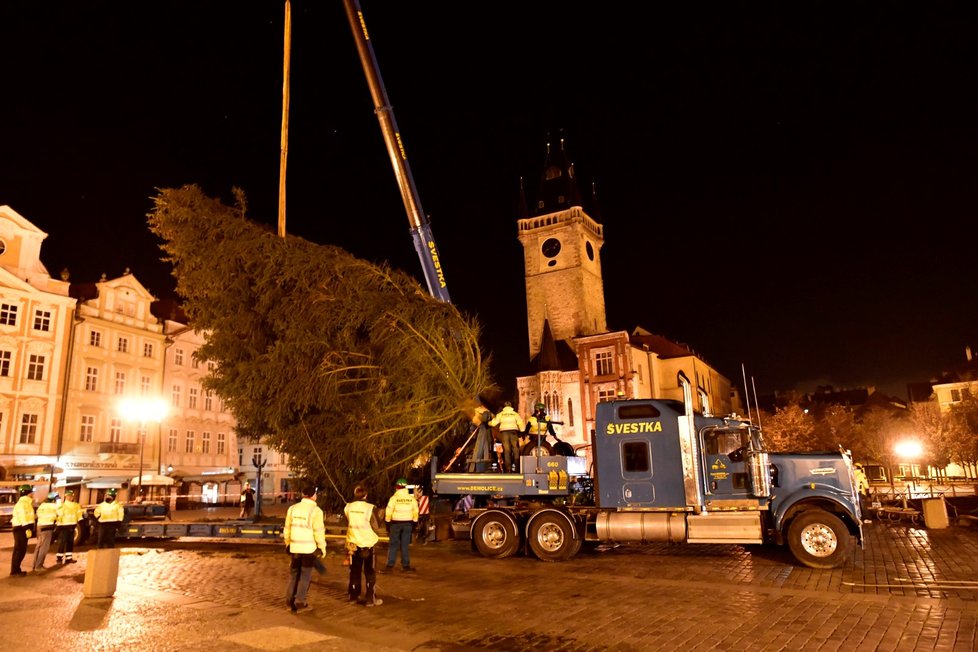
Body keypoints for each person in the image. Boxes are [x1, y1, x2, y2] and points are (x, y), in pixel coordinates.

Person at [283, 484, 327, 612]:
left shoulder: (292, 508)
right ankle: (300, 603)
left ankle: (289, 601)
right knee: (305, 576)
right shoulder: (316, 511)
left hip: (295, 547)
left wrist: (288, 543)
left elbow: (287, 529)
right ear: (313, 495)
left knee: (293, 575)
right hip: (308, 549)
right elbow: (318, 531)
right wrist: (322, 548)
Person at [344, 485, 383, 607]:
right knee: (370, 572)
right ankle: (370, 599)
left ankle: (353, 596)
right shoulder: (370, 508)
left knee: (354, 571)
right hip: (367, 544)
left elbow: (348, 520)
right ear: (366, 495)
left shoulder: (348, 507)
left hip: (353, 544)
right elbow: (376, 525)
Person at [382, 478, 419, 572]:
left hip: (395, 523)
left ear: (397, 487)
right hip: (408, 524)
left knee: (393, 544)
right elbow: (416, 512)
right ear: (405, 487)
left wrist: (387, 523)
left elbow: (388, 511)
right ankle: (405, 566)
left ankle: (390, 565)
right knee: (405, 545)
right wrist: (414, 524)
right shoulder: (411, 499)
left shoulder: (394, 498)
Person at [489, 401, 525, 473]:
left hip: (504, 433)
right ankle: (516, 468)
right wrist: (522, 432)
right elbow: (521, 424)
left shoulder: (501, 414)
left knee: (507, 451)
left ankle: (508, 469)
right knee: (515, 450)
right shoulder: (515, 414)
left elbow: (493, 423)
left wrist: (488, 423)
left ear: (504, 407)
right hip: (513, 432)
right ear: (511, 407)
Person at [9, 484, 35, 577]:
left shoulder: (27, 503)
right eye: (31, 492)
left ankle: (17, 569)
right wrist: (27, 528)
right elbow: (23, 516)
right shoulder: (22, 504)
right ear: (28, 493)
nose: (33, 494)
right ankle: (14, 571)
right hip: (21, 529)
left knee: (21, 550)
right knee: (19, 550)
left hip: (22, 528)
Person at [55, 489, 84, 564]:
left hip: (72, 526)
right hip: (64, 526)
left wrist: (81, 522)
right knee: (62, 542)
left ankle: (68, 558)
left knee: (70, 543)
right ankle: (59, 559)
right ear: (65, 496)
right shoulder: (62, 505)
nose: (70, 497)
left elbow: (79, 515)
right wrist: (59, 525)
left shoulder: (76, 505)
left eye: (71, 496)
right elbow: (59, 515)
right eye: (68, 496)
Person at [32, 492, 59, 571]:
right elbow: (60, 508)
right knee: (44, 548)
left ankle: (35, 565)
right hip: (47, 527)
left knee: (39, 546)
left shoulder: (41, 506)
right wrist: (58, 498)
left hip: (39, 526)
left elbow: (37, 515)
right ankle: (39, 566)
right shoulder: (53, 506)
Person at [467, 405, 494, 472]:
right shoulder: (486, 411)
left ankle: (477, 465)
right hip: (483, 426)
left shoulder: (477, 410)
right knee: (483, 444)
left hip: (481, 426)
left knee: (482, 444)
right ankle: (479, 464)